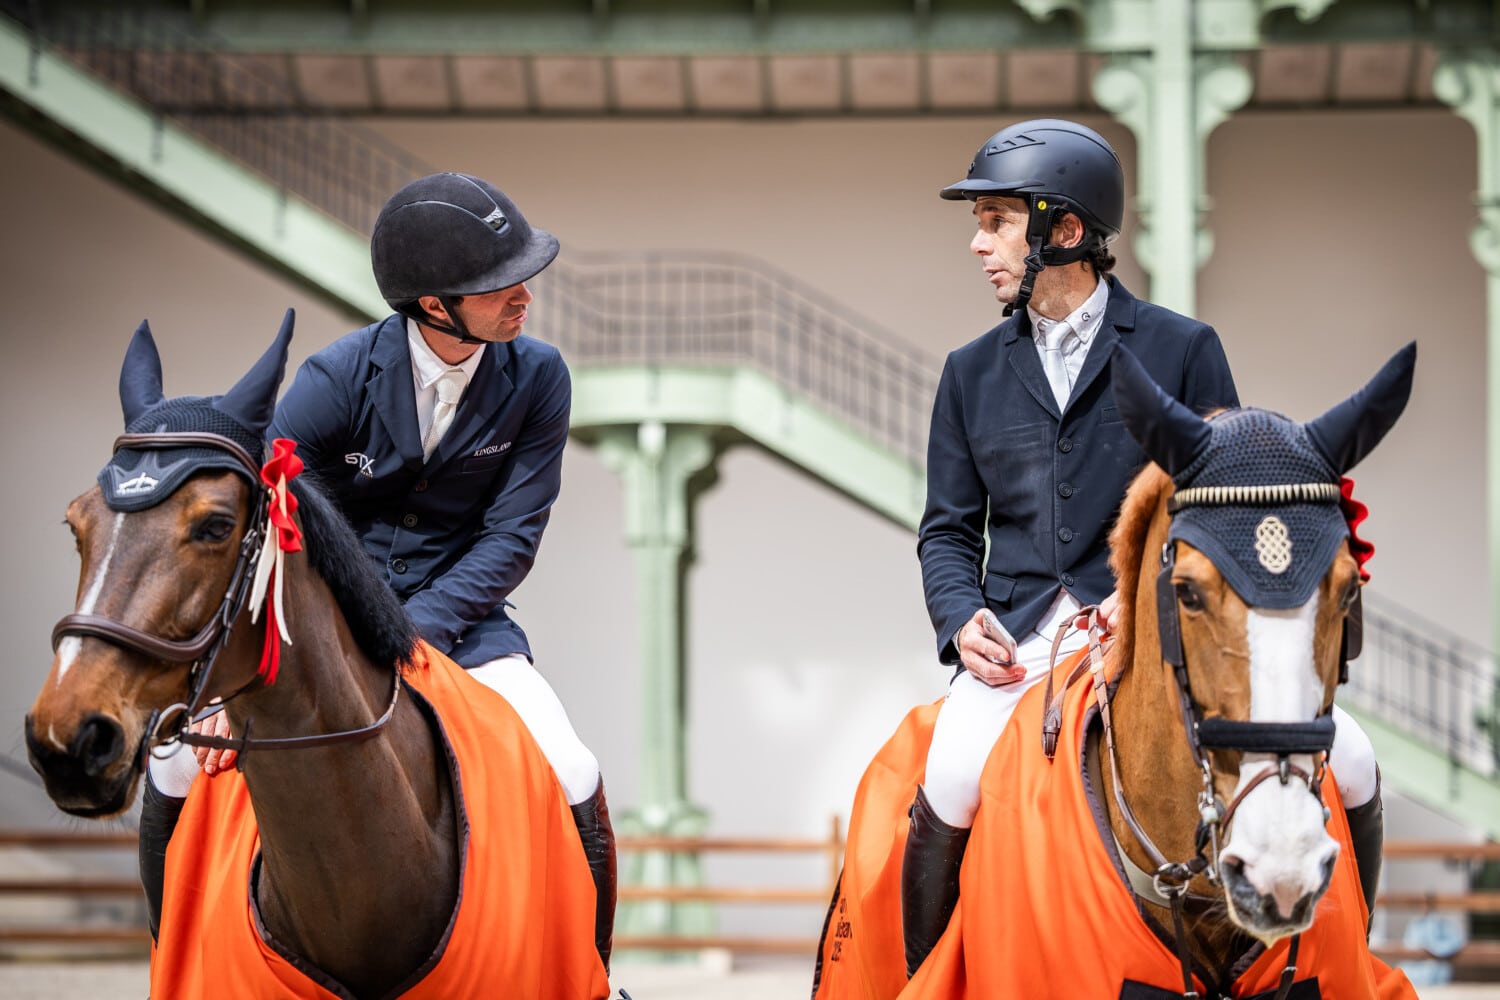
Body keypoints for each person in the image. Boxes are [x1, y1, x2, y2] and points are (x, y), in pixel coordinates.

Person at [904, 118, 1386, 977]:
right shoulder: (968, 371)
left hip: (1151, 632)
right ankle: (931, 979)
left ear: (1065, 230)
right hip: (1021, 638)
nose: (978, 245)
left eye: (996, 221)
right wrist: (960, 616)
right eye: (979, 225)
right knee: (950, 772)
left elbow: (1231, 504)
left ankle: (1341, 952)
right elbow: (947, 528)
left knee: (1351, 758)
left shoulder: (1181, 347)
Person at [138, 172, 617, 971]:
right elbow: (263, 519)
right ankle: (170, 960)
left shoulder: (540, 379)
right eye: (499, 284)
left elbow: (512, 536)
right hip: (320, 626)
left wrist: (411, 634)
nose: (524, 294)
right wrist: (223, 686)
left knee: (572, 768)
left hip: (465, 626)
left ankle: (590, 977)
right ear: (435, 305)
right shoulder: (335, 379)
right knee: (175, 760)